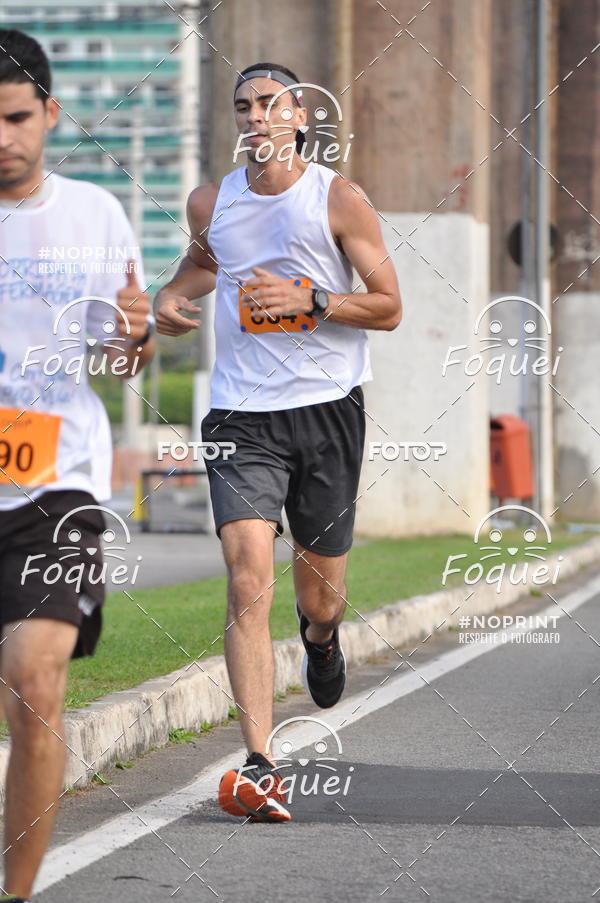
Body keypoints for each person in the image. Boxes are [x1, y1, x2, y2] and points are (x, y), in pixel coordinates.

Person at [155, 62, 401, 822]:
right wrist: (169, 297)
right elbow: (202, 261)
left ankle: (322, 640)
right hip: (241, 415)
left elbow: (390, 305)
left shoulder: (337, 198)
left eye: (269, 104)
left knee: (319, 596)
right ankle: (261, 761)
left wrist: (315, 299)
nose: (254, 116)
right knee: (246, 573)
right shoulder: (212, 200)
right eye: (243, 106)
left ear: (299, 117)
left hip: (327, 411)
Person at [0, 29, 155, 901]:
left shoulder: (93, 213)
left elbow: (122, 354)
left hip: (57, 486)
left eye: (17, 118)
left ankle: (14, 893)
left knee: (32, 683)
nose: (2, 138)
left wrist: (134, 332)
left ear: (50, 114)